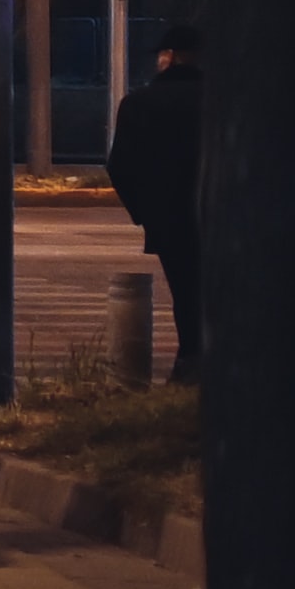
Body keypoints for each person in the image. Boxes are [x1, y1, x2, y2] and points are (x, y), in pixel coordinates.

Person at [105, 25, 205, 381]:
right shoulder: (227, 102)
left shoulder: (140, 103)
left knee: (186, 291)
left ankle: (191, 360)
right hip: (225, 216)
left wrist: (145, 213)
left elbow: (119, 167)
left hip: (170, 219)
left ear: (169, 57)